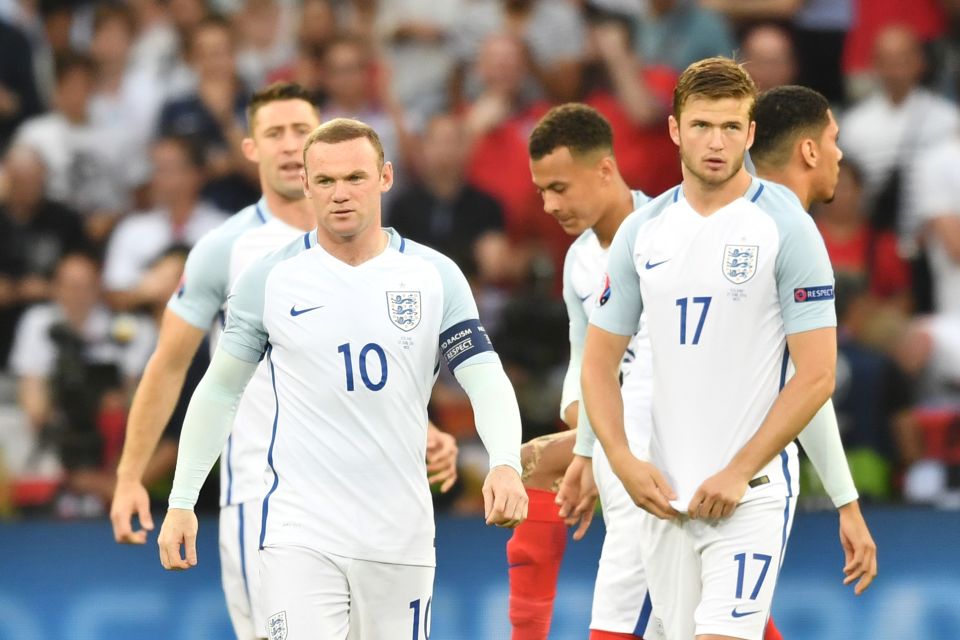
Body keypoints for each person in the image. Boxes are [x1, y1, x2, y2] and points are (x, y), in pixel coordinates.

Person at [110, 85, 459, 640]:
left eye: (301, 129)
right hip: (265, 497)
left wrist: (426, 428)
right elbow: (169, 364)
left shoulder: (375, 250)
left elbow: (372, 363)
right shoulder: (227, 250)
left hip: (378, 502)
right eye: (275, 133)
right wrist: (131, 475)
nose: (290, 144)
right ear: (251, 149)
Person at [156, 118, 528, 639]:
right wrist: (181, 500)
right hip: (299, 531)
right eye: (326, 182)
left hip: (400, 536)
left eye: (355, 178)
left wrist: (505, 462)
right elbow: (220, 389)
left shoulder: (433, 275)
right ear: (306, 186)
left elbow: (484, 375)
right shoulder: (269, 278)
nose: (340, 195)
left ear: (386, 177)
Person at [580, 58, 834, 640]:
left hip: (752, 494)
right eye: (700, 126)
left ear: (749, 133)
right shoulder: (642, 231)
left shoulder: (786, 228)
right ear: (674, 129)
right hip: (665, 498)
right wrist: (622, 461)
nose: (715, 142)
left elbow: (818, 375)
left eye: (729, 127)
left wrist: (740, 472)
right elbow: (598, 366)